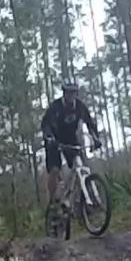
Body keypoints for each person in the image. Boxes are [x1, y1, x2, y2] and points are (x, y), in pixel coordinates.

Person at [41, 79, 101, 207]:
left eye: (73, 92)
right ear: (64, 93)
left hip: (70, 139)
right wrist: (49, 138)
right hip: (54, 140)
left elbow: (90, 123)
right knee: (55, 169)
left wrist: (95, 138)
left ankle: (79, 201)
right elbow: (45, 124)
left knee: (79, 164)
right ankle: (52, 201)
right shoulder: (55, 107)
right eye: (68, 93)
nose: (71, 95)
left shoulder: (80, 107)